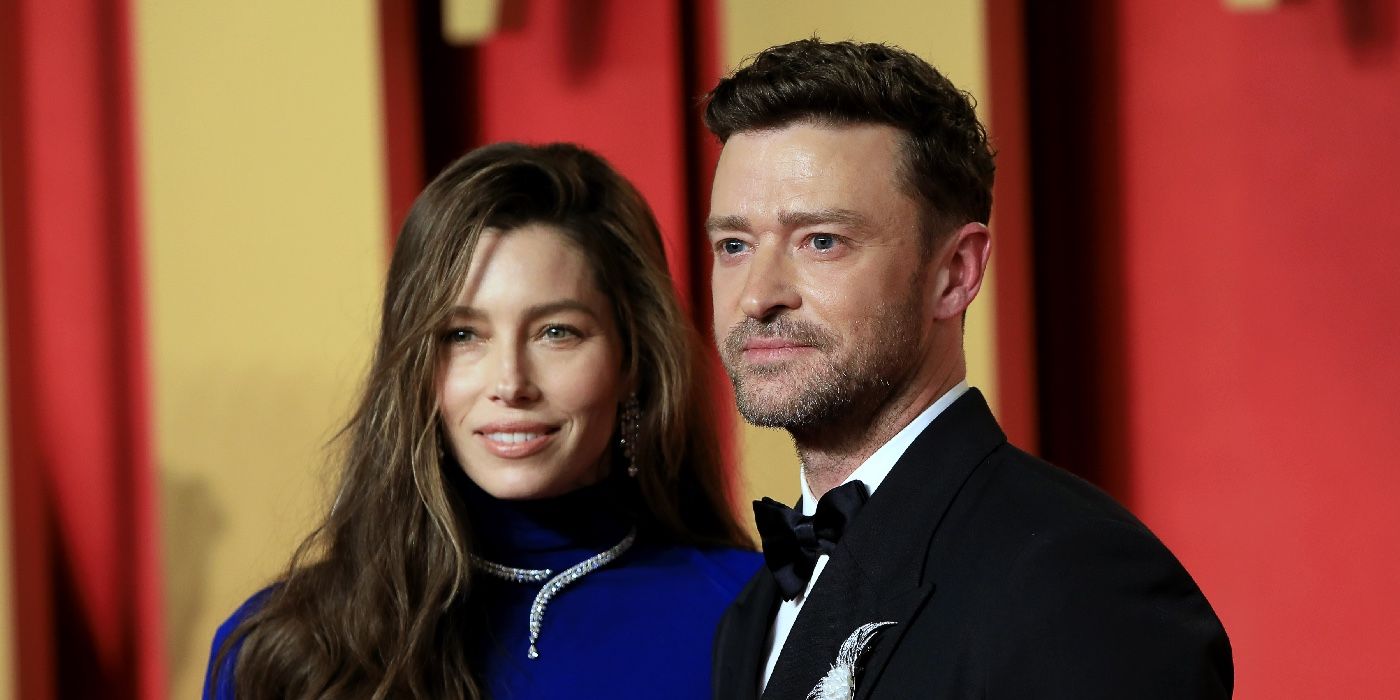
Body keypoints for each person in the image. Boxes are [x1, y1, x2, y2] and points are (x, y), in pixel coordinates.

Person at [702, 39, 1232, 699]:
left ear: (954, 274)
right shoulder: (749, 615)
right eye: (734, 245)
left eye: (822, 241)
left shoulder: (1079, 580)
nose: (758, 296)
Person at [203, 142, 760, 699]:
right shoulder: (285, 649)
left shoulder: (756, 615)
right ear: (417, 368)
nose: (510, 383)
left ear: (632, 361)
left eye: (556, 332)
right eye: (463, 335)